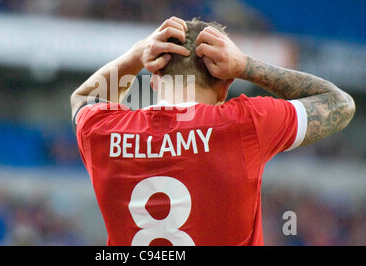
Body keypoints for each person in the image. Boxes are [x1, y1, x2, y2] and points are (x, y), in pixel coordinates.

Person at [70, 17, 355, 246]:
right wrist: (247, 66)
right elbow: (339, 104)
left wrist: (136, 53)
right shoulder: (244, 124)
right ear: (225, 85)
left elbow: (83, 99)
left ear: (154, 78)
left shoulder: (103, 131)